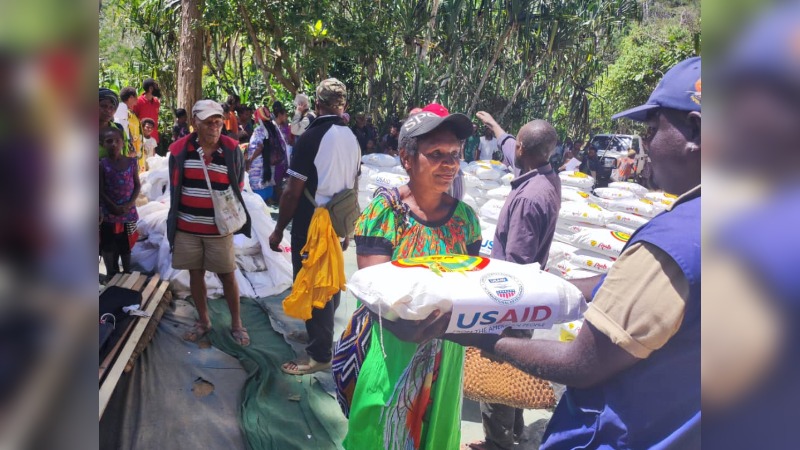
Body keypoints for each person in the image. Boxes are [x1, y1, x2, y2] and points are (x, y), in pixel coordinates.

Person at [435, 57, 702, 449]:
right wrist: (556, 291)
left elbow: (581, 363)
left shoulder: (674, 241)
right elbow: (611, 284)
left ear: (695, 129)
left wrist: (478, 331)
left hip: (615, 431)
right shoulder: (546, 178)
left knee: (503, 379)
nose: (646, 145)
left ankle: (498, 443)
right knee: (515, 383)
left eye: (651, 130)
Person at [333, 109, 480, 450]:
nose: (449, 164)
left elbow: (472, 285)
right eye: (436, 155)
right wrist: (417, 331)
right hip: (393, 347)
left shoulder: (466, 220)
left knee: (436, 435)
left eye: (455, 155)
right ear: (407, 158)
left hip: (447, 350)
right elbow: (377, 297)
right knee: (382, 430)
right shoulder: (385, 213)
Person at [466, 119, 562, 450]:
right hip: (527, 302)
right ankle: (516, 433)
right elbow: (512, 149)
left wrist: (492, 313)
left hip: (511, 302)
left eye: (515, 145)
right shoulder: (547, 177)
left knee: (497, 374)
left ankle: (497, 444)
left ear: (524, 149)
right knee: (516, 371)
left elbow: (517, 266)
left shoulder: (528, 199)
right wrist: (496, 128)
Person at [268, 78, 360, 374]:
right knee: (329, 280)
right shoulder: (351, 137)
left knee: (314, 282)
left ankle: (320, 356)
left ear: (317, 105)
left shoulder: (311, 137)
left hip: (312, 224)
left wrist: (278, 228)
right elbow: (353, 185)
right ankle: (316, 335)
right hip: (337, 221)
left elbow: (293, 191)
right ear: (343, 104)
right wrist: (348, 229)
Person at [166, 99, 253, 346]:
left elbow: (238, 183)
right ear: (195, 123)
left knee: (227, 275)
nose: (215, 128)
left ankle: (237, 323)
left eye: (218, 122)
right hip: (187, 227)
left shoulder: (231, 150)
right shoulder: (179, 150)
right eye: (208, 123)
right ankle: (203, 321)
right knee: (196, 274)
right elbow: (175, 188)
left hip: (219, 229)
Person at [99, 126, 140, 279]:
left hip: (128, 211)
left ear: (123, 143)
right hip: (109, 212)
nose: (114, 144)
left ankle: (127, 271)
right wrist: (112, 206)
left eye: (117, 141)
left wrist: (129, 204)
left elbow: (137, 185)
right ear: (103, 144)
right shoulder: (102, 164)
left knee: (126, 242)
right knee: (108, 242)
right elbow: (100, 189)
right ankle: (111, 273)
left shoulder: (131, 162)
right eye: (109, 141)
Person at [476, 111, 519, 177]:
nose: (489, 131)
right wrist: (476, 161)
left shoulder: (495, 140)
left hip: (490, 163)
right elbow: (478, 151)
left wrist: (495, 163)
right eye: (487, 130)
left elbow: (495, 153)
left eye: (490, 130)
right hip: (481, 162)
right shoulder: (481, 139)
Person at [116, 87, 143, 168]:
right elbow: (122, 128)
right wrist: (130, 147)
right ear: (131, 97)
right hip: (125, 147)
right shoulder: (122, 108)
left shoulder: (126, 109)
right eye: (136, 97)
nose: (137, 100)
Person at [99, 88, 129, 158]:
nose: (108, 110)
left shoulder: (119, 129)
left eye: (111, 107)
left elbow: (124, 155)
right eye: (103, 106)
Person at [132, 78, 161, 143]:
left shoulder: (156, 102)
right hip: (140, 138)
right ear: (150, 89)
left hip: (153, 138)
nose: (157, 88)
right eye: (156, 86)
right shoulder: (138, 101)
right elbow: (133, 119)